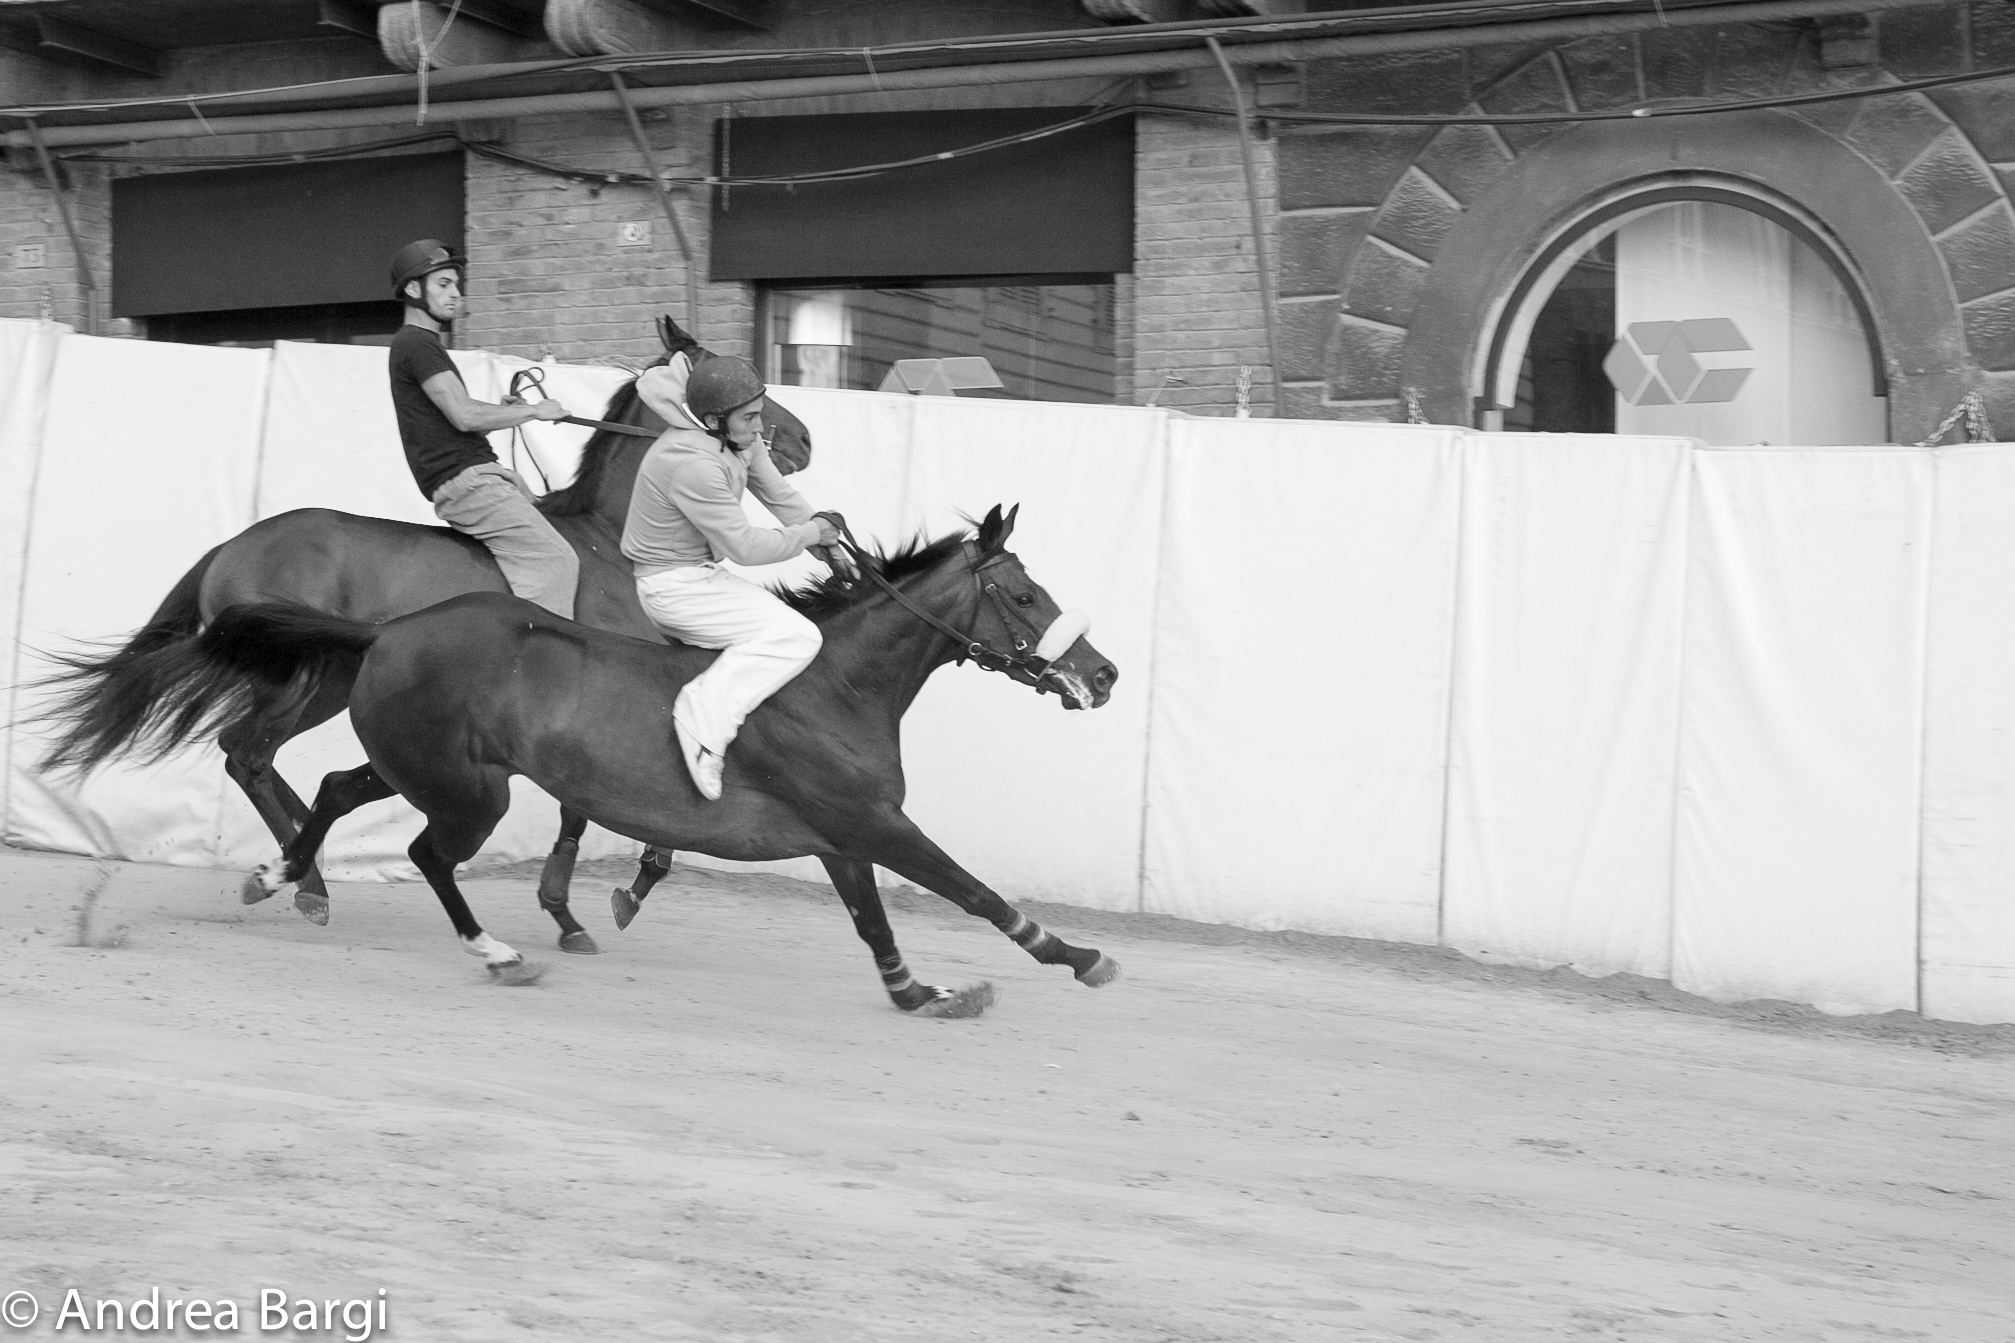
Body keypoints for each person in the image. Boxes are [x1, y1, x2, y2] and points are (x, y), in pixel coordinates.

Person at [622, 354, 854, 801]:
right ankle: (702, 722)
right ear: (714, 419)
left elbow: (777, 492)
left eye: (759, 411)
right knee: (798, 637)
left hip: (701, 576)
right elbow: (744, 548)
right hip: (672, 588)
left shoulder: (736, 437)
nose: (758, 425)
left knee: (788, 628)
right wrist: (812, 532)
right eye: (749, 417)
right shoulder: (692, 463)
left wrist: (829, 546)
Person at [386, 239, 580, 619]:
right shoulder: (416, 344)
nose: (455, 294)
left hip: (480, 476)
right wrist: (535, 412)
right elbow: (464, 416)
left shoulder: (422, 345)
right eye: (443, 284)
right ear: (413, 290)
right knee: (556, 559)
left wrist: (504, 411)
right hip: (470, 485)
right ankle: (538, 662)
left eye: (457, 286)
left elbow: (454, 419)